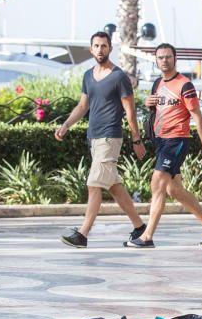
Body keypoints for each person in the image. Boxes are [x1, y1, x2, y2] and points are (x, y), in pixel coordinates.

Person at [55, 31, 147, 248]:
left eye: (104, 46)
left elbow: (130, 111)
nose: (100, 49)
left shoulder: (119, 77)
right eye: (96, 46)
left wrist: (137, 139)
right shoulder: (88, 75)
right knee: (114, 186)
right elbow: (82, 106)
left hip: (110, 137)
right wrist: (66, 125)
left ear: (110, 49)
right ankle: (140, 227)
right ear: (91, 49)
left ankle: (83, 234)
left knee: (93, 184)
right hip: (94, 138)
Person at [125, 43, 202, 248]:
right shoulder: (158, 83)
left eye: (168, 57)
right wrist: (148, 103)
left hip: (177, 141)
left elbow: (198, 118)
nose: (164, 61)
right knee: (174, 190)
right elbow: (157, 111)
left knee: (157, 183)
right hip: (161, 141)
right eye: (160, 58)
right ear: (157, 60)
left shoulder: (185, 85)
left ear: (174, 58)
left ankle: (147, 236)